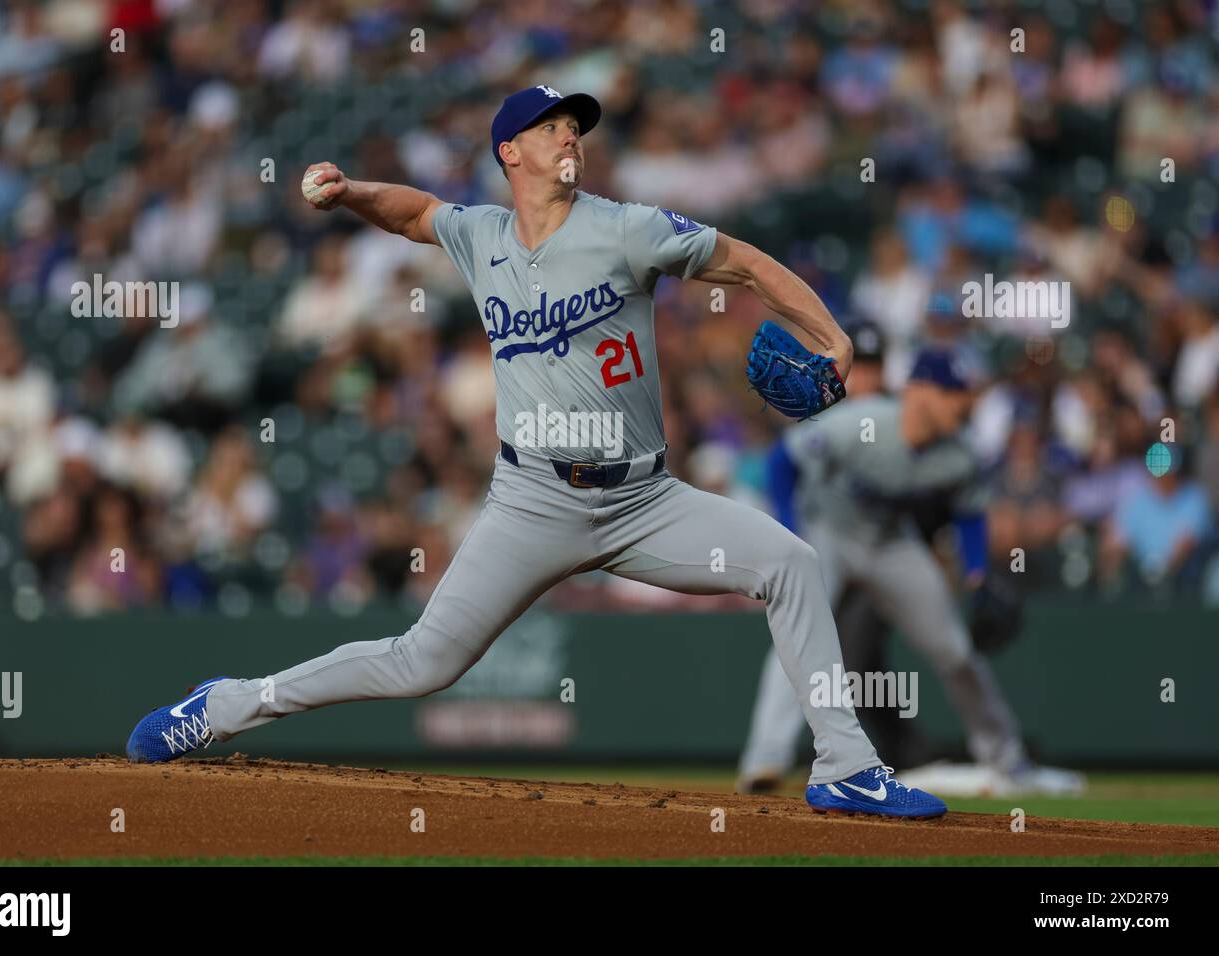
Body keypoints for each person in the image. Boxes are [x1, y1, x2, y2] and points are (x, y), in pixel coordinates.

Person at [125, 85, 948, 819]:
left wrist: (832, 336)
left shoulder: (630, 229)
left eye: (576, 126)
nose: (571, 138)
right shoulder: (480, 236)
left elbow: (747, 264)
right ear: (509, 151)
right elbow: (414, 213)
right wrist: (351, 195)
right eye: (553, 126)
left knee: (792, 565)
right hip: (533, 502)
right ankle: (228, 705)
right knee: (422, 663)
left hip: (644, 501)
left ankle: (845, 766)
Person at [737, 344, 1084, 797]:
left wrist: (976, 575)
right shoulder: (864, 423)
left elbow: (970, 514)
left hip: (892, 543)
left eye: (965, 394)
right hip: (830, 533)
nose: (963, 403)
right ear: (920, 392)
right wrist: (791, 533)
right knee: (798, 635)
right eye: (952, 393)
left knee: (957, 651)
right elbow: (783, 462)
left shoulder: (959, 452)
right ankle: (764, 761)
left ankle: (1008, 761)